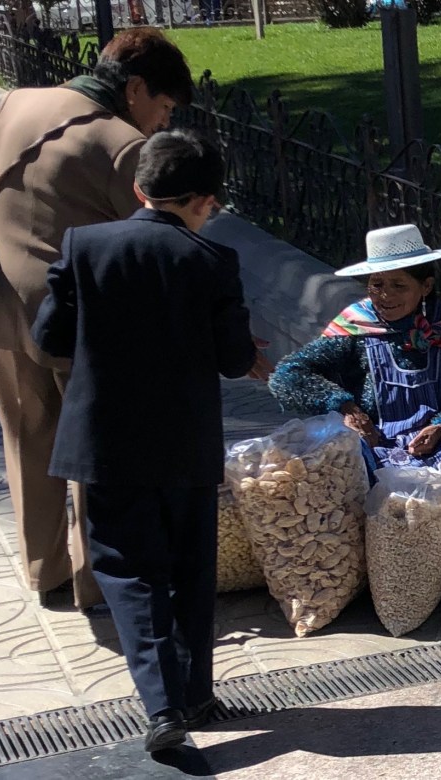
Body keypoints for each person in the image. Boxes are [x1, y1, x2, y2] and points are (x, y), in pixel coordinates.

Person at [31, 128, 271, 752]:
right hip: (185, 444)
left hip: (105, 444)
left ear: (139, 189)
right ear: (206, 200)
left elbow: (50, 337)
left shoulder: (84, 245)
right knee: (191, 569)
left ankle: (163, 706)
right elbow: (230, 357)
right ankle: (195, 693)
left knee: (128, 570)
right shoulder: (213, 260)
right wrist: (245, 350)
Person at [0, 28, 193, 612]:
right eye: (164, 108)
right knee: (98, 452)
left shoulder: (15, 103)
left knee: (26, 438)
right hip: (88, 325)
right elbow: (160, 239)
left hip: (4, 309)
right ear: (135, 88)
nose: (162, 123)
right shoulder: (124, 146)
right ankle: (99, 580)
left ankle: (45, 571)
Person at [268, 224, 441, 475]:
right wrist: (346, 408)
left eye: (399, 285)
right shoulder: (356, 328)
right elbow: (287, 374)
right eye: (377, 284)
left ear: (426, 286)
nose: (385, 296)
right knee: (341, 468)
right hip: (374, 445)